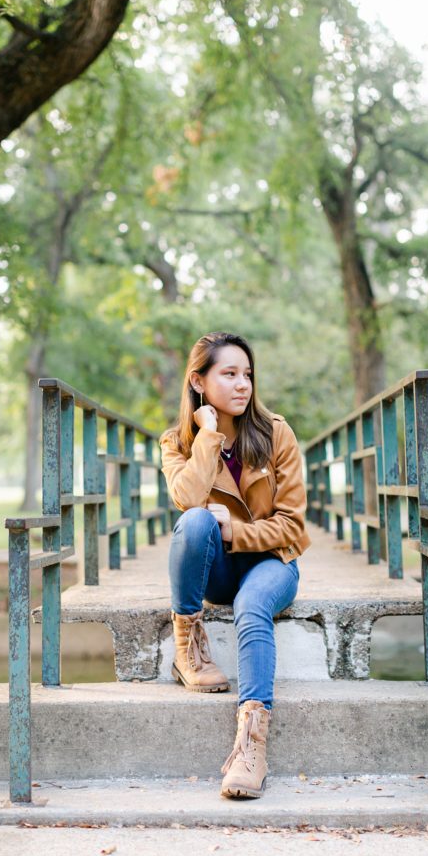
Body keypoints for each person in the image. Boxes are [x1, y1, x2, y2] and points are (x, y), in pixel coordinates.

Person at [159, 331, 311, 799]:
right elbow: (186, 500)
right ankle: (188, 641)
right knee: (196, 521)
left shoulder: (276, 433)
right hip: (218, 570)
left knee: (251, 605)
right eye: (229, 374)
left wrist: (237, 533)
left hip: (271, 564)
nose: (243, 384)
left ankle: (251, 746)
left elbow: (293, 528)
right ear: (198, 381)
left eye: (247, 374)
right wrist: (207, 436)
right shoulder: (177, 442)